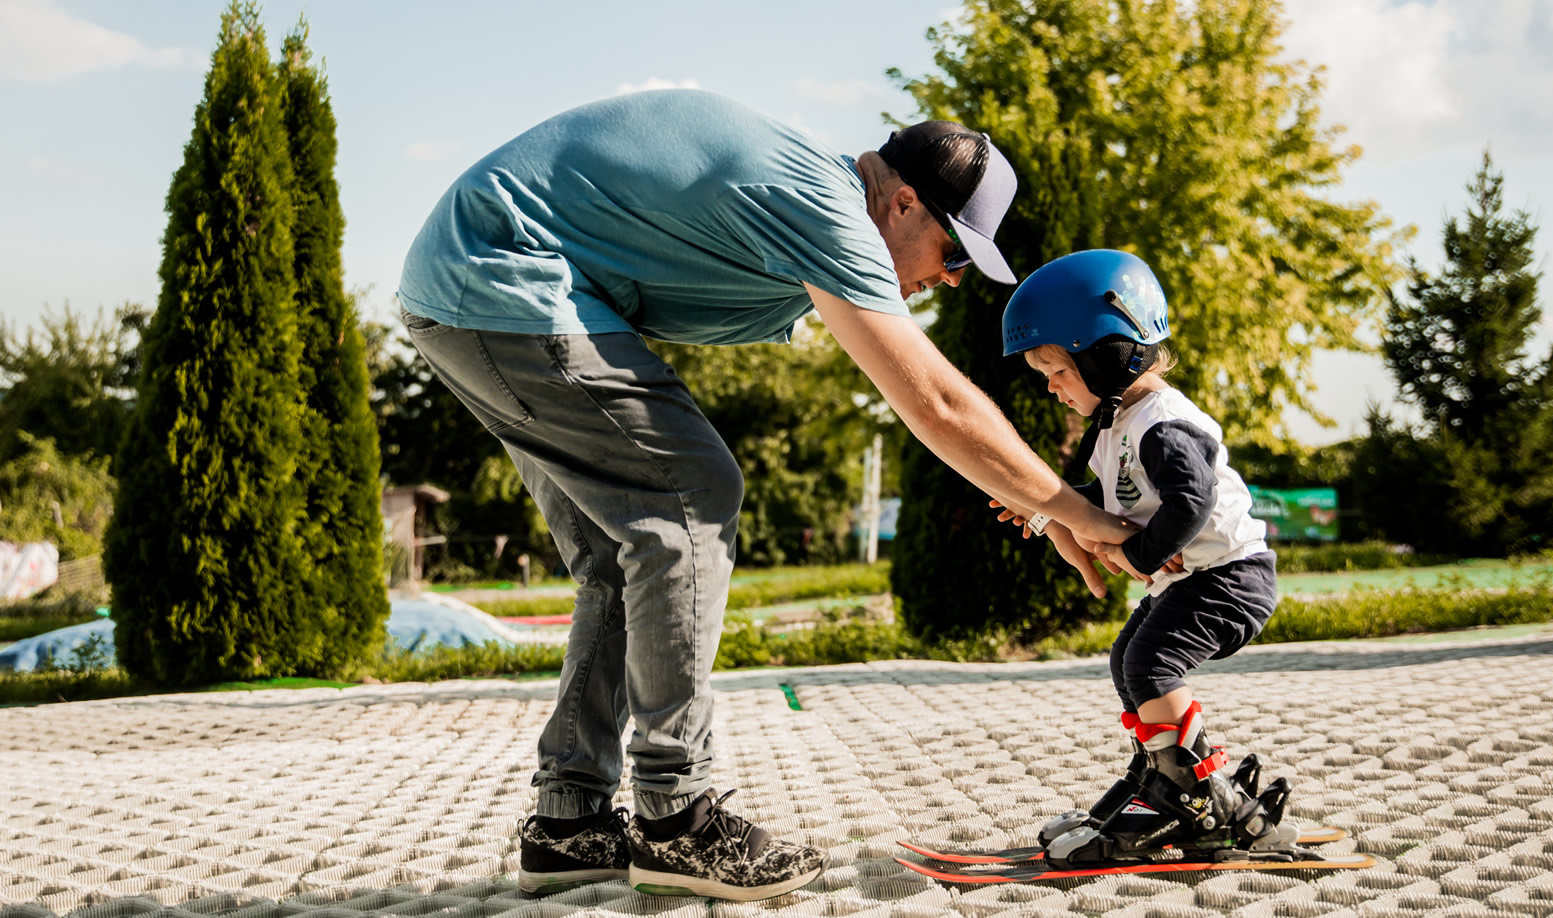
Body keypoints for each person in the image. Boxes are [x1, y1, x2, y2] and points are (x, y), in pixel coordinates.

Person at [396, 89, 1134, 901]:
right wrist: (1071, 508)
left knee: (625, 547)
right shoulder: (830, 209)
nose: (951, 280)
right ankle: (678, 820)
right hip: (506, 276)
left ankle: (570, 821)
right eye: (953, 254)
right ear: (904, 201)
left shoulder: (813, 190)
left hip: (468, 283)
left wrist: (1037, 502)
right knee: (691, 500)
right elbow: (938, 406)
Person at [995, 249, 1297, 864]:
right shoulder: (1117, 423)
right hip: (1199, 580)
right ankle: (1158, 778)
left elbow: (1191, 500)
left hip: (1230, 578)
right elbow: (1103, 503)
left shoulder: (1162, 423)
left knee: (1152, 664)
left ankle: (1197, 801)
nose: (1050, 386)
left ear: (1107, 353)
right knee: (1127, 659)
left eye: (1055, 369)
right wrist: (1041, 507)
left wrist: (1138, 555)